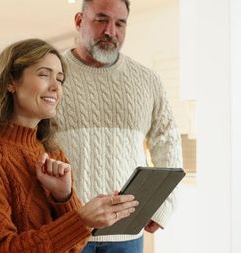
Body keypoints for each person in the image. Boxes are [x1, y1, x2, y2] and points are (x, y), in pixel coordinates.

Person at [0, 38, 139, 253]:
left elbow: (76, 246)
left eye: (60, 78)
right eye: (44, 74)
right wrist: (82, 219)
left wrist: (63, 196)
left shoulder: (52, 153)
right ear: (11, 82)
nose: (56, 87)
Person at [54, 0, 184, 252]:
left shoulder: (147, 81)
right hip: (65, 229)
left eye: (120, 23)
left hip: (128, 232)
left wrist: (164, 204)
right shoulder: (52, 74)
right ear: (79, 21)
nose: (110, 31)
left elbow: (168, 141)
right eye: (101, 19)